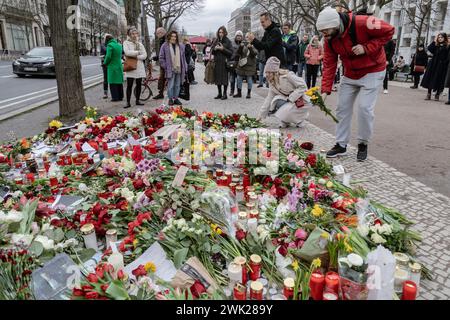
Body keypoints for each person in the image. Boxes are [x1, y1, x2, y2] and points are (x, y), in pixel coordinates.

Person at [317, 6, 394, 162]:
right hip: (351, 74)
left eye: (325, 31)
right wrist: (325, 90)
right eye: (322, 32)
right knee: (342, 108)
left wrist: (366, 48)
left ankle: (363, 144)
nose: (324, 35)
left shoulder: (362, 22)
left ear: (336, 24)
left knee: (365, 108)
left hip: (373, 70)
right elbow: (329, 64)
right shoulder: (329, 40)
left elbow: (389, 31)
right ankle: (341, 144)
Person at [258, 57, 310, 128]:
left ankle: (300, 119)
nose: (267, 75)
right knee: (276, 101)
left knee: (286, 106)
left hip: (300, 100)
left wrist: (292, 97)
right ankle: (285, 120)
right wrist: (261, 116)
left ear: (275, 72)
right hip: (288, 100)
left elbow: (303, 86)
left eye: (269, 72)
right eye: (266, 72)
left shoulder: (288, 76)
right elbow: (269, 99)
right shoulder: (272, 83)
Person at [159, 30, 187, 106]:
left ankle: (176, 98)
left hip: (179, 68)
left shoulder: (181, 46)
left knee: (177, 84)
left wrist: (185, 67)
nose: (173, 38)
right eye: (172, 36)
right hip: (170, 69)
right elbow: (161, 58)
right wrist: (166, 67)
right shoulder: (165, 45)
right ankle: (170, 99)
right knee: (170, 85)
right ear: (169, 37)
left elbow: (183, 58)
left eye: (175, 36)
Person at [123, 27, 147, 109]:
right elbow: (127, 52)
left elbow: (145, 55)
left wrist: (136, 57)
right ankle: (128, 102)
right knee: (129, 85)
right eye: (132, 34)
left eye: (135, 33)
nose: (134, 35)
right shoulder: (126, 43)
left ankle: (137, 100)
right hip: (131, 67)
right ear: (129, 35)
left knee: (139, 84)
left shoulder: (140, 44)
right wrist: (138, 52)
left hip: (139, 67)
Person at [421, 33, 449, 101]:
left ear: (444, 38)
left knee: (439, 79)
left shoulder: (447, 46)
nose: (440, 38)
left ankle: (437, 94)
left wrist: (444, 63)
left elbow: (448, 56)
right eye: (439, 37)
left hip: (441, 65)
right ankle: (428, 94)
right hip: (433, 64)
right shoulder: (436, 45)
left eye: (441, 37)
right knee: (430, 78)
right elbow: (429, 48)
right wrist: (434, 40)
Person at [211, 26, 233, 100]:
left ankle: (225, 94)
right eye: (219, 32)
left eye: (222, 32)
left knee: (224, 79)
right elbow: (212, 51)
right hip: (217, 62)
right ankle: (219, 93)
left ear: (225, 33)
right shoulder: (216, 40)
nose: (221, 34)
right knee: (218, 78)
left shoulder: (228, 41)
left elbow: (231, 52)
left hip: (224, 62)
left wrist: (223, 49)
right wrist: (215, 49)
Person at [234, 32, 258, 99]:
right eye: (247, 37)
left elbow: (254, 54)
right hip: (242, 65)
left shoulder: (254, 45)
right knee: (239, 78)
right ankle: (239, 93)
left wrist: (250, 48)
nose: (248, 38)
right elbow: (238, 53)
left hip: (250, 65)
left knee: (249, 79)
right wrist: (240, 47)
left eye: (249, 37)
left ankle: (248, 93)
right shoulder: (243, 44)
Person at [103, 34, 124, 102]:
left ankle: (115, 97)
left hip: (112, 66)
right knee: (119, 81)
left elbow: (108, 56)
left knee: (112, 82)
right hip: (119, 65)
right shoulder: (119, 45)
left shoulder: (110, 45)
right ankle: (120, 96)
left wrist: (105, 63)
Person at [153, 27, 167, 100]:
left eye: (158, 33)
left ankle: (162, 93)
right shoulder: (162, 40)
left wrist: (157, 57)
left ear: (162, 33)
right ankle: (161, 92)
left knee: (162, 78)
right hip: (163, 62)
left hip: (165, 63)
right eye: (157, 33)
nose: (157, 35)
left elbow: (165, 53)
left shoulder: (165, 40)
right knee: (162, 78)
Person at [230, 31, 244, 97]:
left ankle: (239, 92)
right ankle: (232, 91)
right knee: (232, 78)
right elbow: (230, 52)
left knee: (239, 78)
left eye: (240, 36)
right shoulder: (232, 43)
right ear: (235, 36)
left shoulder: (243, 44)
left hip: (240, 63)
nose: (239, 37)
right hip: (233, 62)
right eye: (237, 35)